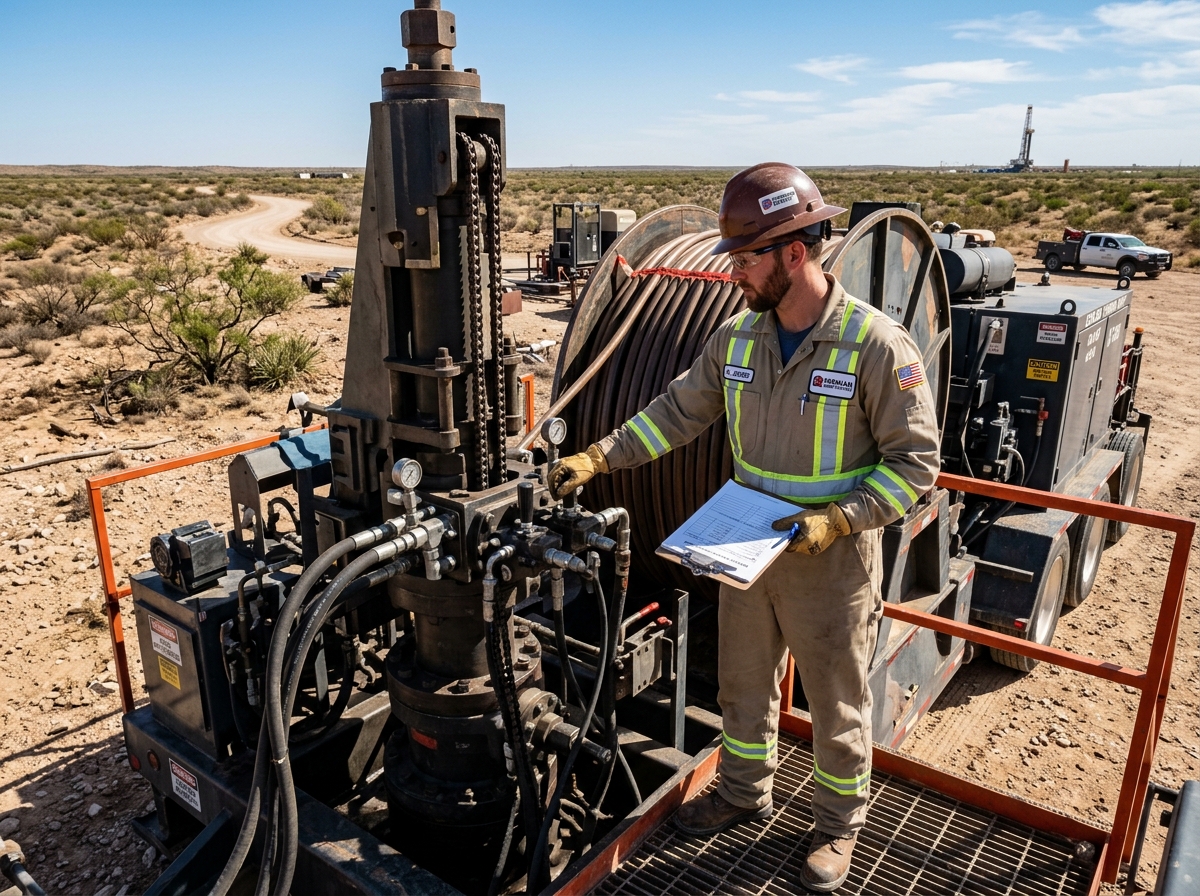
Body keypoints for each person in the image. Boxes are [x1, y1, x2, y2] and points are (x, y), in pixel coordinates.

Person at [547, 163, 941, 892]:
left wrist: (841, 519)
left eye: (747, 257)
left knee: (836, 703)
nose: (734, 274)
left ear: (796, 252)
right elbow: (676, 412)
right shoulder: (737, 339)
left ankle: (835, 829)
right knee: (742, 688)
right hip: (745, 548)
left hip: (832, 561)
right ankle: (741, 792)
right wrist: (600, 455)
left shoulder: (877, 347)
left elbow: (916, 466)